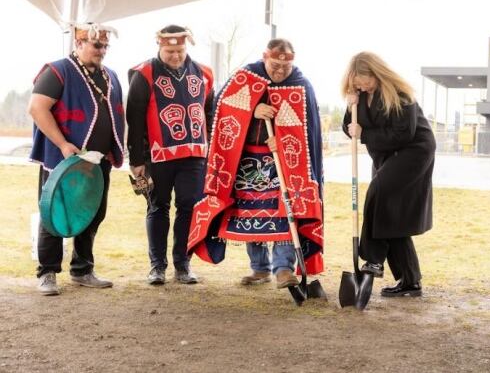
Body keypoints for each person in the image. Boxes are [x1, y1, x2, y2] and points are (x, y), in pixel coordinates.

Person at [188, 38, 324, 290]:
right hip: (247, 161)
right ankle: (259, 268)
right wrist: (252, 109)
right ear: (264, 57)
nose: (281, 70)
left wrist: (283, 141)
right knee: (250, 213)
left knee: (285, 212)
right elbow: (222, 108)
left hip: (283, 164)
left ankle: (283, 268)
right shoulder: (245, 77)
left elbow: (308, 131)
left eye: (286, 66)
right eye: (275, 65)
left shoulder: (302, 85)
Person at [28, 23, 125, 295]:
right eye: (96, 45)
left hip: (98, 160)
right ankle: (47, 272)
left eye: (105, 46)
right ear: (79, 43)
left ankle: (82, 269)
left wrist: (113, 148)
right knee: (55, 212)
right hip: (65, 159)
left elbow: (116, 114)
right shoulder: (57, 71)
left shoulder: (111, 76)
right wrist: (62, 144)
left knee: (92, 212)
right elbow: (37, 108)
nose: (102, 51)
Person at [341, 51, 436, 306]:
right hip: (385, 155)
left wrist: (364, 134)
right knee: (392, 213)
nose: (361, 85)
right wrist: (350, 108)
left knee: (378, 193)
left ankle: (372, 259)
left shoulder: (399, 93)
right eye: (357, 82)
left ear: (376, 73)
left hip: (413, 151)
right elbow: (350, 129)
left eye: (365, 80)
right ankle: (410, 281)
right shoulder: (359, 96)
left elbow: (403, 134)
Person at [126, 25, 214, 285]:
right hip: (157, 155)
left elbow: (210, 114)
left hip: (194, 155)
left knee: (188, 208)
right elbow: (135, 120)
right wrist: (137, 160)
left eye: (180, 50)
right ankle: (157, 266)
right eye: (170, 50)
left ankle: (183, 264)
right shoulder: (143, 74)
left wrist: (210, 152)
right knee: (157, 208)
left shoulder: (205, 73)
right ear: (159, 47)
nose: (175, 55)